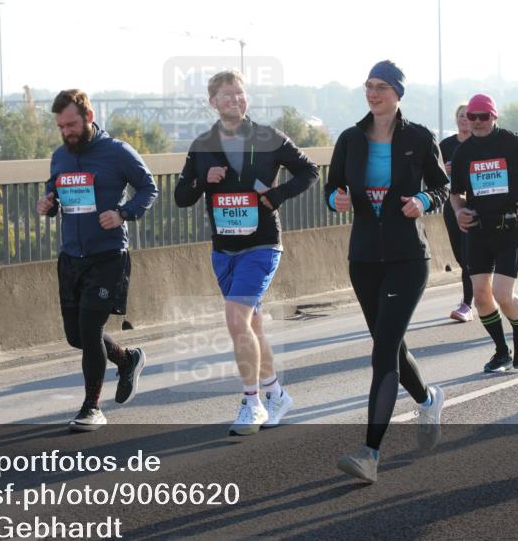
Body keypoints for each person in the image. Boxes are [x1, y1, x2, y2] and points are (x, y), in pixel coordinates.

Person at [174, 69, 318, 436]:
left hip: (262, 243)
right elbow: (180, 197)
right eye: (226, 96)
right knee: (250, 325)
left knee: (236, 319)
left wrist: (278, 195)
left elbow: (309, 171)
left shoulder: (269, 137)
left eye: (239, 93)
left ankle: (251, 403)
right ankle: (277, 394)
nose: (234, 100)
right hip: (224, 249)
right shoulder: (202, 145)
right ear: (213, 103)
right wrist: (203, 181)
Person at [325, 60, 449, 484]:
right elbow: (333, 187)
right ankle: (429, 397)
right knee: (389, 344)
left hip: (407, 258)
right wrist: (334, 201)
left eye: (381, 87)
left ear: (398, 93)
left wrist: (425, 201)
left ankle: (370, 453)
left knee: (382, 354)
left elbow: (443, 187)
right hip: (363, 259)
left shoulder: (418, 137)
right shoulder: (350, 139)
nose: (373, 94)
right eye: (369, 87)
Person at [37, 89, 158, 431]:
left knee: (91, 331)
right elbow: (54, 191)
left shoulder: (117, 152)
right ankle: (126, 358)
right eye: (61, 126)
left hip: (107, 256)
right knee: (76, 336)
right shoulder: (61, 156)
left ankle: (92, 407)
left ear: (89, 117)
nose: (66, 132)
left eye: (71, 124)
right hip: (71, 256)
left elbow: (149, 188)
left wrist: (124, 213)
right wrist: (47, 204)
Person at [449, 94, 518, 373]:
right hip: (478, 229)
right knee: (482, 295)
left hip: (511, 226)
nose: (478, 122)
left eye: (484, 116)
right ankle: (501, 351)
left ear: (494, 116)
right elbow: (455, 193)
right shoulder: (463, 152)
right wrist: (460, 211)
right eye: (472, 117)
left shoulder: (513, 143)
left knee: (502, 293)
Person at [439, 103, 474, 322]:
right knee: (461, 257)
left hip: (474, 204)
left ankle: (467, 304)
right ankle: (481, 293)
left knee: (470, 255)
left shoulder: (479, 144)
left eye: (468, 116)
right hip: (451, 206)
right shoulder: (445, 145)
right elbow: (433, 175)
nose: (464, 119)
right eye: (460, 115)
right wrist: (444, 170)